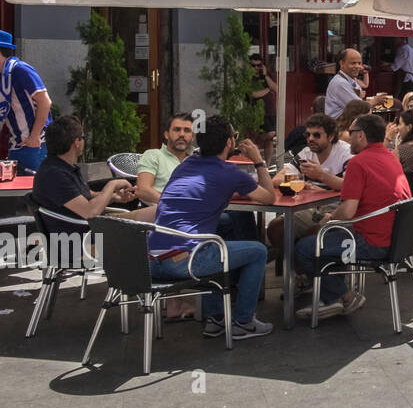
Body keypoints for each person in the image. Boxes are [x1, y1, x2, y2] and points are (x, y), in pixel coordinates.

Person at [148, 115, 277, 339]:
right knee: (258, 251)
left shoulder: (185, 165)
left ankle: (215, 318)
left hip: (150, 261)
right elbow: (268, 197)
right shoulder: (230, 172)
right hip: (182, 261)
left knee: (217, 236)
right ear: (229, 142)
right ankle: (244, 322)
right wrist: (258, 160)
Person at [295, 113, 410, 319]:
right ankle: (335, 296)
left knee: (306, 247)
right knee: (330, 238)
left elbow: (347, 211)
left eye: (352, 131)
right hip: (397, 241)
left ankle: (342, 297)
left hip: (372, 243)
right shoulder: (390, 157)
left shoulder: (359, 163)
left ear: (361, 136)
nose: (347, 134)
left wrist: (329, 219)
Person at [32, 116, 144, 235]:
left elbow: (89, 196)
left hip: (93, 228)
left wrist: (115, 197)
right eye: (83, 137)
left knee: (154, 214)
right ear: (77, 143)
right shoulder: (54, 175)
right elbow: (90, 211)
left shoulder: (64, 168)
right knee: (153, 219)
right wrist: (112, 184)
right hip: (81, 239)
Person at [266, 111, 353, 252]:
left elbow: (349, 186)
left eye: (317, 135)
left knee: (313, 233)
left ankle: (303, 266)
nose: (311, 139)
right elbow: (277, 179)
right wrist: (302, 183)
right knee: (276, 228)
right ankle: (296, 267)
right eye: (308, 135)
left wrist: (321, 175)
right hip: (308, 206)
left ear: (331, 136)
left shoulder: (346, 153)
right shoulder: (306, 153)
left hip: (337, 208)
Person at [0, 31, 52, 174]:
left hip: (36, 145)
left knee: (35, 191)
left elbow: (45, 102)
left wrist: (34, 136)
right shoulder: (2, 76)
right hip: (16, 144)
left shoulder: (20, 69)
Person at [135, 112, 196, 205]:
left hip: (197, 212)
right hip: (161, 212)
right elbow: (142, 190)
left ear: (192, 137)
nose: (182, 134)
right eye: (177, 129)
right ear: (166, 135)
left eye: (187, 130)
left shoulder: (198, 159)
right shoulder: (154, 155)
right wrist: (175, 204)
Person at [325, 48, 380, 118]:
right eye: (353, 63)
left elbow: (364, 86)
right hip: (340, 126)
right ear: (342, 63)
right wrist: (375, 101)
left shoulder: (350, 79)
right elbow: (358, 108)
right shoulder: (340, 83)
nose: (357, 66)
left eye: (359, 63)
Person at [249, 53, 277, 133]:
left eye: (258, 65)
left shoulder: (267, 76)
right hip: (258, 113)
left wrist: (265, 75)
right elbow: (253, 94)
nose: (256, 68)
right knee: (264, 135)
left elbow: (276, 88)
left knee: (272, 136)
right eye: (253, 66)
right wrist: (268, 89)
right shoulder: (249, 78)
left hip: (270, 111)